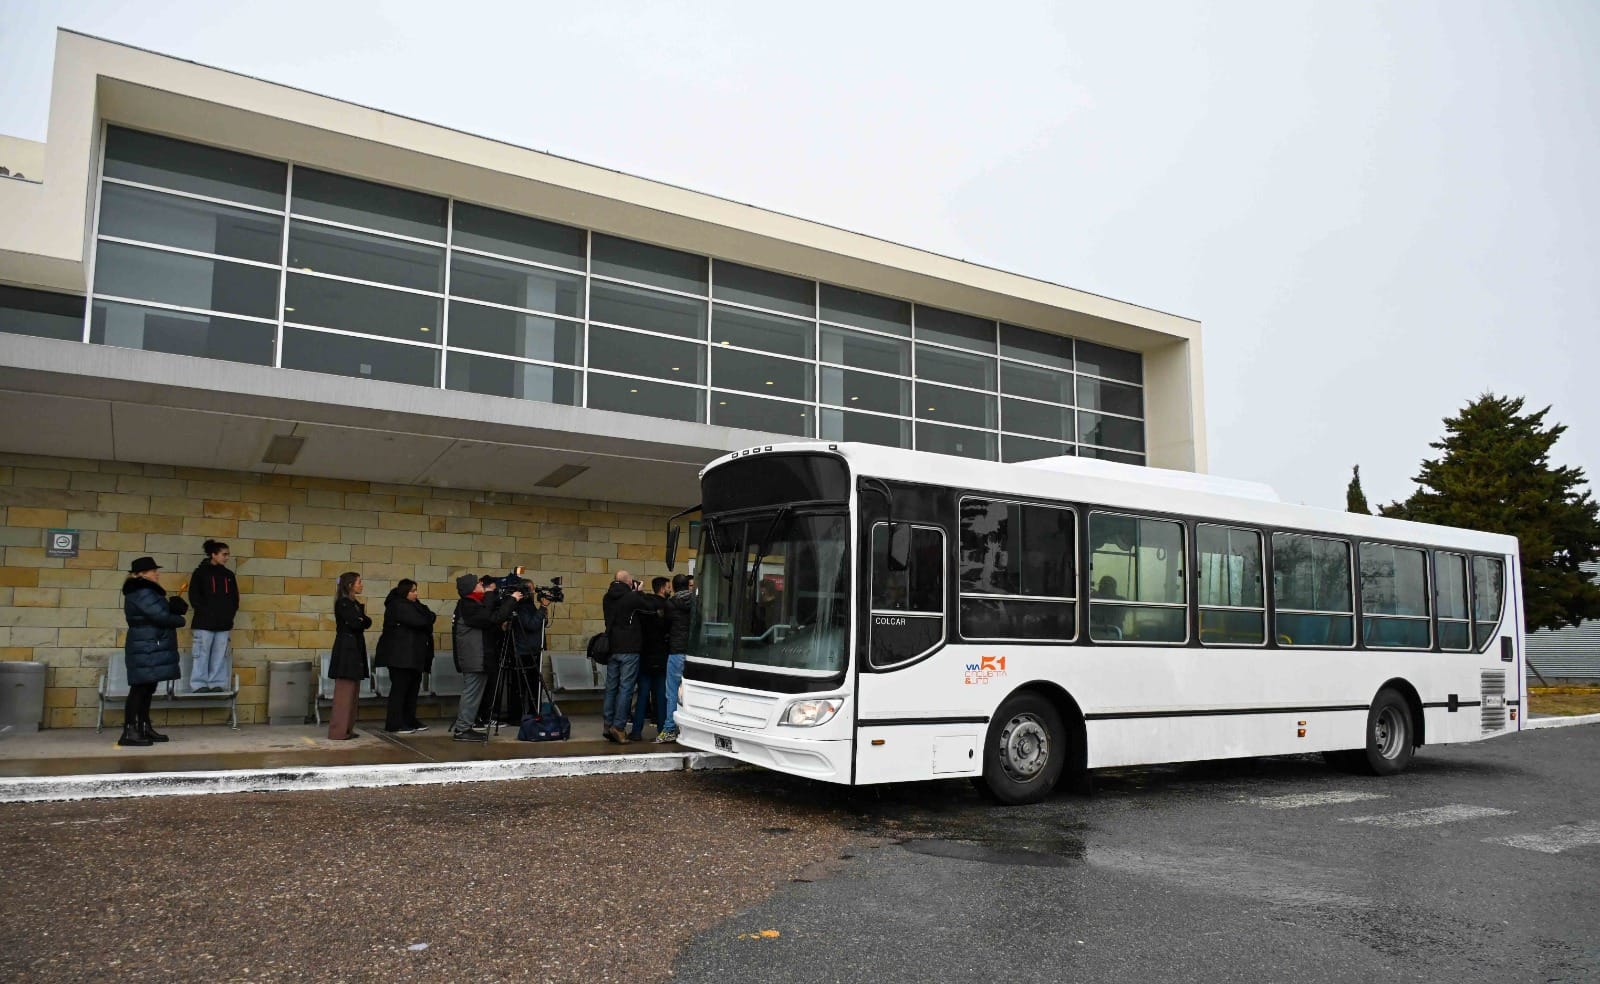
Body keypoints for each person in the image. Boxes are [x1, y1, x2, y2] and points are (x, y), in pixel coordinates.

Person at [119, 556, 186, 747]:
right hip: (146, 645)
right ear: (139, 574)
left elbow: (158, 613)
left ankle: (143, 727)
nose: (157, 573)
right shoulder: (143, 591)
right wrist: (178, 616)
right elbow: (161, 616)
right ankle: (130, 731)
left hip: (148, 644)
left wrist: (171, 609)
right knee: (140, 688)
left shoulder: (144, 590)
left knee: (147, 688)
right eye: (152, 571)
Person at [451, 572, 519, 742]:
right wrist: (512, 600)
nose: (482, 585)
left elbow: (488, 621)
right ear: (471, 589)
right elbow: (491, 618)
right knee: (472, 693)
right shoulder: (468, 605)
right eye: (479, 584)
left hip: (478, 656)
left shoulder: (473, 604)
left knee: (474, 693)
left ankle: (466, 726)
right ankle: (462, 729)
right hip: (474, 658)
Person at [601, 569, 660, 744]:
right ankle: (618, 728)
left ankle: (607, 724)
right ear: (629, 582)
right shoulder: (632, 597)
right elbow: (650, 608)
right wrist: (639, 592)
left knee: (611, 687)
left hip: (612, 648)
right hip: (630, 648)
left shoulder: (607, 597)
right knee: (625, 689)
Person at [375, 578, 435, 734]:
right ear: (405, 592)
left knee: (412, 690)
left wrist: (427, 618)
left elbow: (431, 615)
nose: (416, 593)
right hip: (400, 656)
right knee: (400, 690)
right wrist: (427, 619)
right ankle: (395, 723)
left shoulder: (415, 605)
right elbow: (420, 621)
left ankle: (410, 719)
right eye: (413, 591)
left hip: (414, 655)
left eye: (416, 590)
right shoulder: (398, 606)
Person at [186, 539, 239, 694]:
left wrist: (229, 614)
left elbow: (235, 598)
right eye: (224, 554)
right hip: (204, 622)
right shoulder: (200, 573)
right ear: (214, 555)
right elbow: (194, 596)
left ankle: (217, 683)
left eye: (228, 554)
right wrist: (206, 612)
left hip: (223, 623)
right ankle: (198, 684)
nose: (226, 557)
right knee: (201, 653)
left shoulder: (228, 575)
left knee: (220, 655)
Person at [328, 571, 371, 740]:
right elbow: (355, 623)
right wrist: (360, 620)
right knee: (344, 692)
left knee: (353, 692)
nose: (361, 585)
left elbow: (366, 621)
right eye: (359, 582)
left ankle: (348, 727)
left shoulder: (354, 603)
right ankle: (338, 730)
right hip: (346, 648)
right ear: (350, 585)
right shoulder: (343, 603)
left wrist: (361, 619)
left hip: (355, 646)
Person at [631, 577, 672, 741]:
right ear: (662, 588)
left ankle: (636, 731)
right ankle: (662, 729)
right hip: (661, 656)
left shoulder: (644, 605)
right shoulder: (668, 607)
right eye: (668, 587)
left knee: (642, 696)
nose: (670, 590)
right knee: (661, 696)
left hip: (644, 655)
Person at [657, 572, 695, 744]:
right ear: (688, 586)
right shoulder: (696, 603)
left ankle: (670, 728)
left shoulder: (670, 604)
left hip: (676, 652)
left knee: (672, 692)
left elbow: (664, 627)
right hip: (694, 653)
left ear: (673, 586)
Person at [505, 581, 550, 724]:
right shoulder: (522, 607)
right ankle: (517, 717)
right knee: (521, 687)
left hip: (532, 650)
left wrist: (543, 612)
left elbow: (540, 623)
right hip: (524, 652)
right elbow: (531, 625)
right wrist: (542, 608)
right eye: (530, 589)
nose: (533, 592)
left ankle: (533, 714)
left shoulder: (529, 605)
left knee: (533, 686)